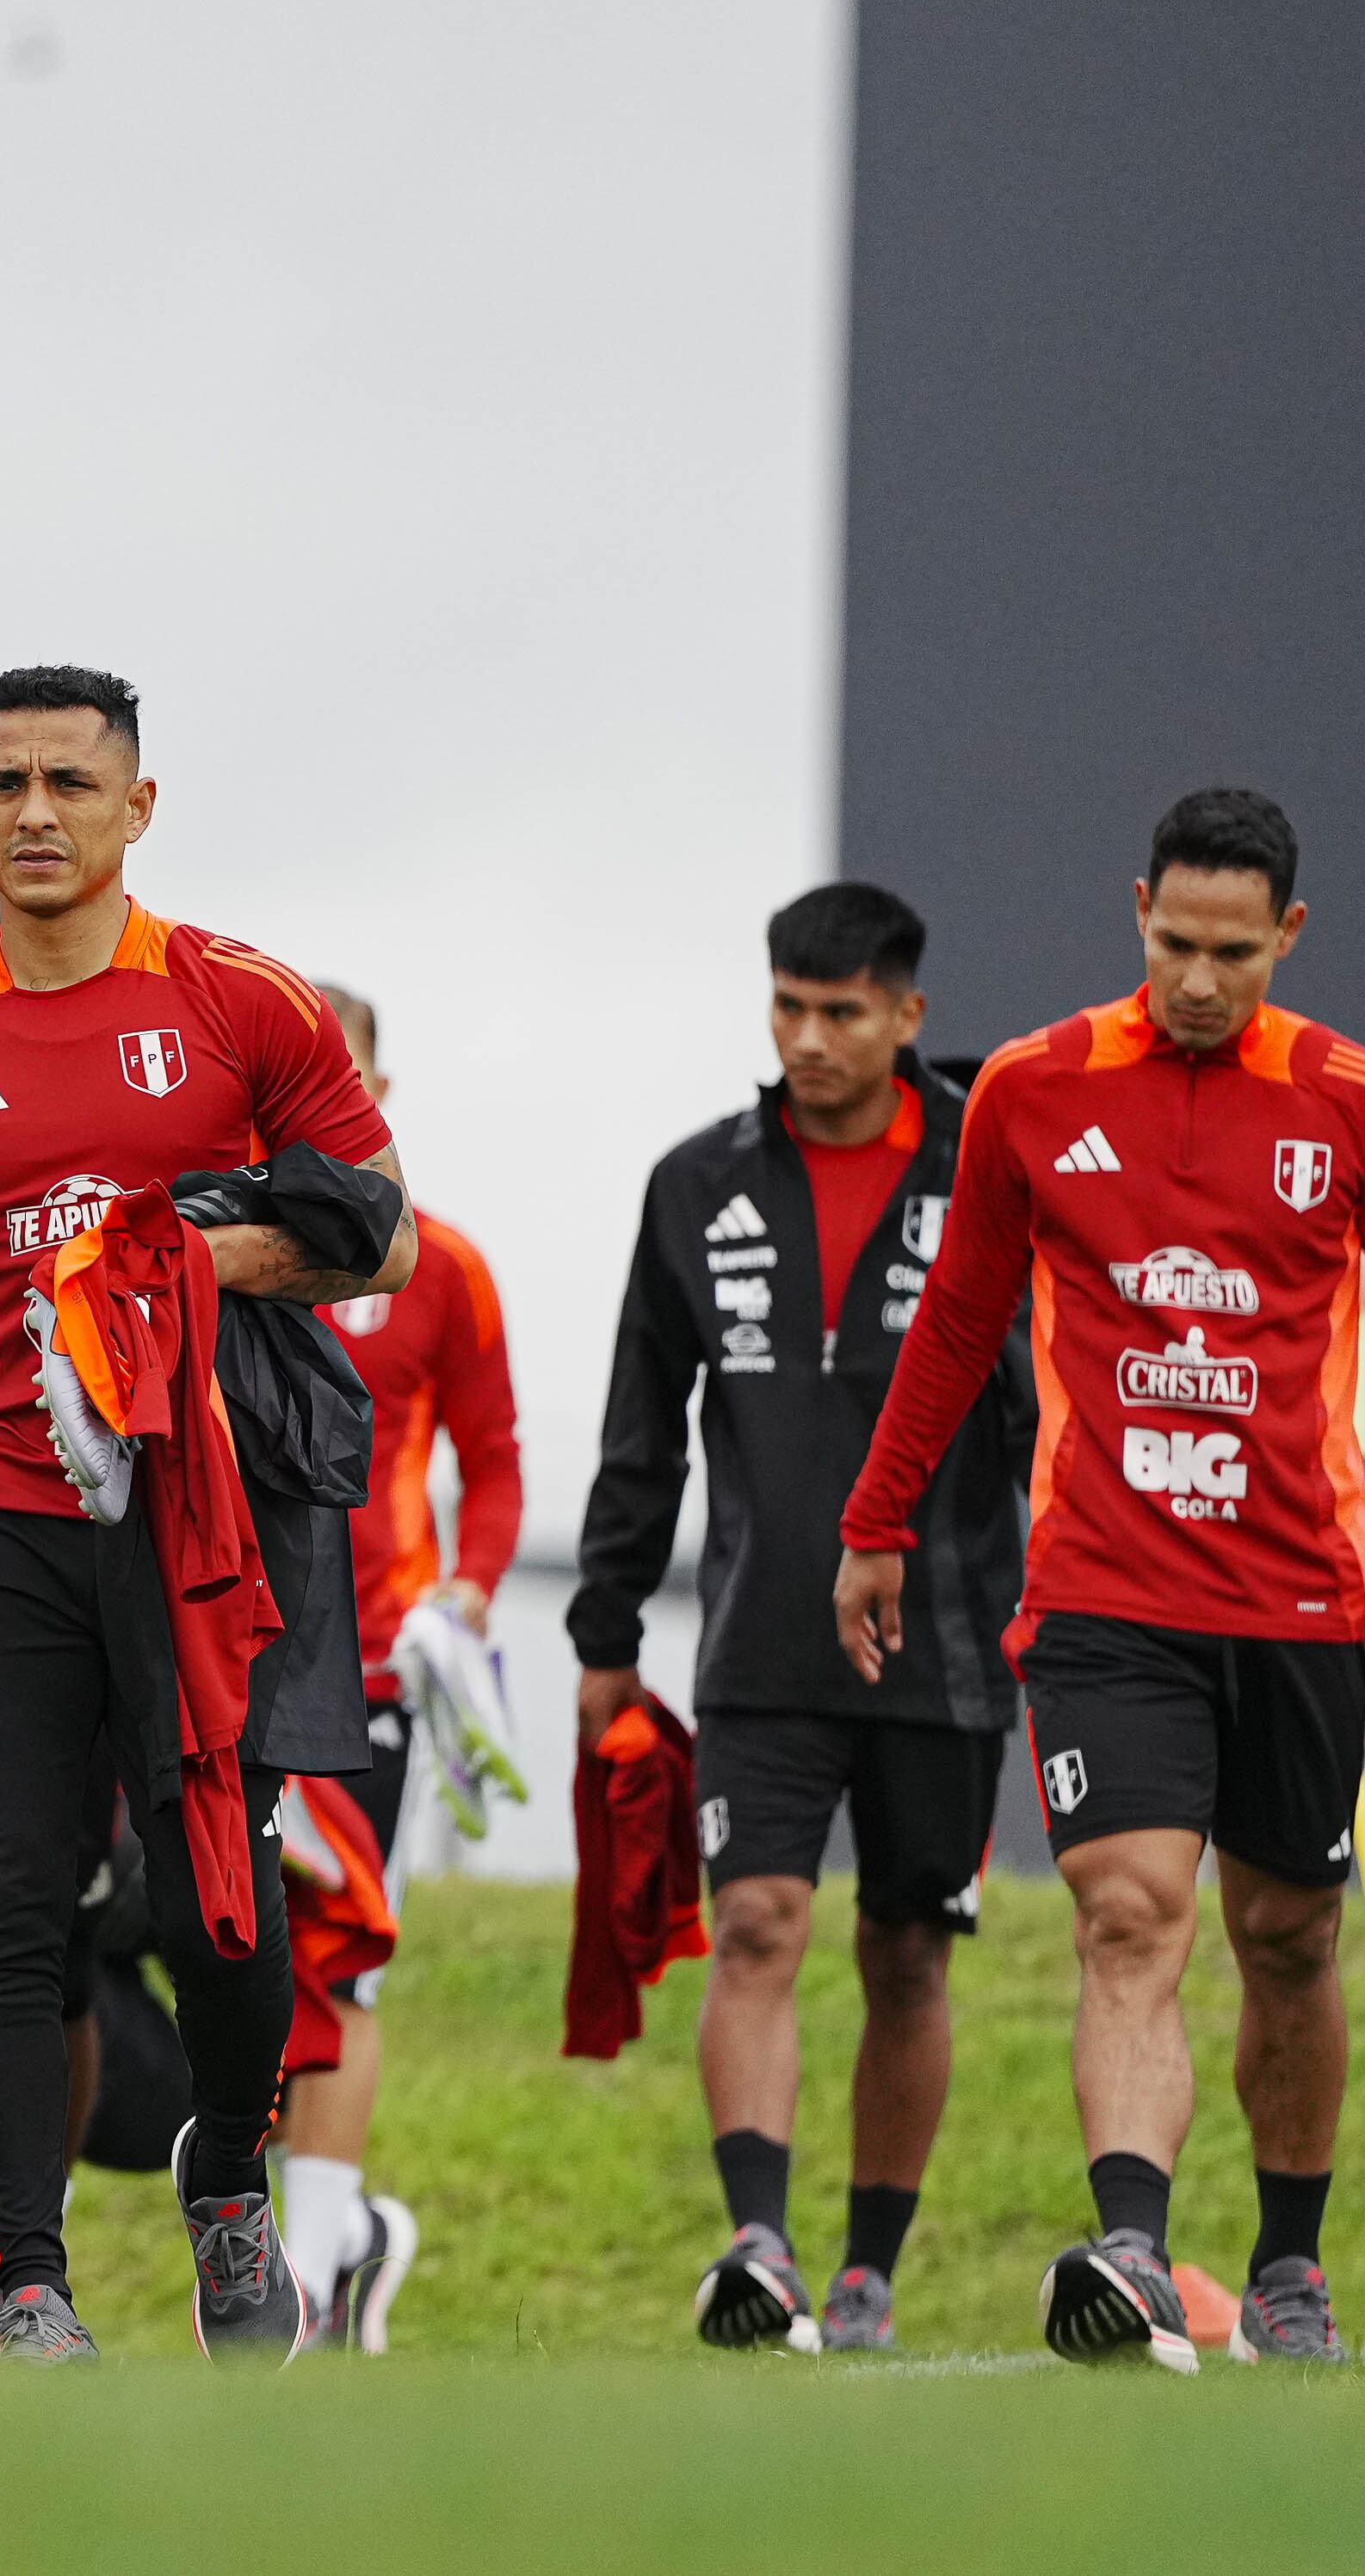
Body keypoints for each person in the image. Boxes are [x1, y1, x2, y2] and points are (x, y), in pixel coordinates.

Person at [837, 790, 1365, 2370]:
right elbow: (961, 1321)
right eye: (1174, 941)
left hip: (1300, 1596)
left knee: (1292, 1938)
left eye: (1232, 952)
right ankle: (1130, 2244)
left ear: (1287, 939)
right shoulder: (1036, 1093)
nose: (1197, 977)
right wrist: (876, 1520)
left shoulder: (1354, 1100)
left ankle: (1293, 2267)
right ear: (1137, 912)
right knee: (1130, 1915)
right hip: (1105, 1597)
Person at [0, 665, 410, 2364]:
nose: (33, 812)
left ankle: (227, 2178)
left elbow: (377, 1234)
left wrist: (176, 1262)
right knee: (2, 1903)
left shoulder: (243, 1004)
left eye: (68, 782)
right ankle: (27, 2281)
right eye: (0, 782)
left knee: (216, 1896)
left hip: (200, 1517)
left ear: (134, 806)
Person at [571, 884, 1028, 2356]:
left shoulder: (998, 1168)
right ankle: (757, 2248)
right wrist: (607, 1627)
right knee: (757, 1922)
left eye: (841, 1011)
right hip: (759, 1641)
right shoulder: (695, 1181)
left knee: (907, 1953)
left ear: (908, 1013)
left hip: (949, 1635)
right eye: (787, 1007)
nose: (809, 1038)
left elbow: (1054, 1406)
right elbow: (642, 1428)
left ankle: (867, 2272)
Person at [280, 980, 522, 2354]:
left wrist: (466, 1599)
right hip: (225, 1665)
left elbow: (493, 1467)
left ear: (380, 1090)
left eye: (347, 1075)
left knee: (346, 1958)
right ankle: (339, 2235)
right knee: (236, 1958)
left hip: (370, 1669)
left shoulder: (446, 1266)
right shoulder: (212, 1249)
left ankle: (311, 2275)